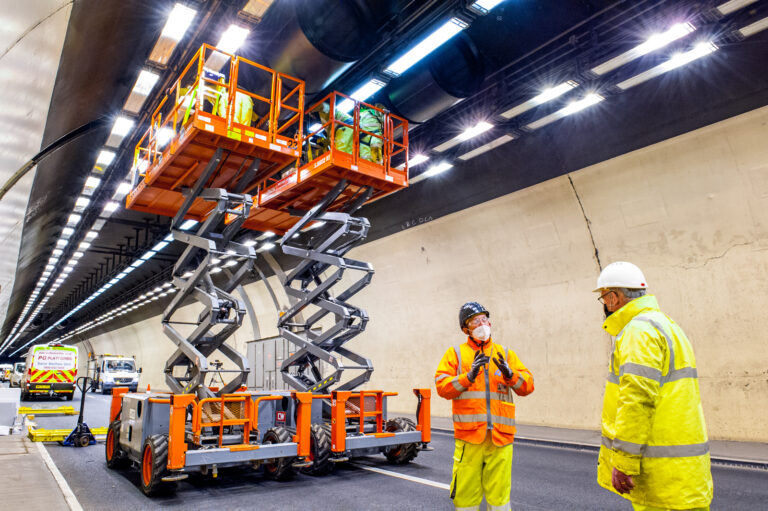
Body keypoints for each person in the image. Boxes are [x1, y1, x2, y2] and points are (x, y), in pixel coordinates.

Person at [594, 262, 713, 511]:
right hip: (684, 475)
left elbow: (636, 400)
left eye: (604, 298)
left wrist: (624, 462)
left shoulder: (638, 332)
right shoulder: (668, 326)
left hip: (660, 480)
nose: (604, 305)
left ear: (614, 297)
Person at [435, 302, 534, 511]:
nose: (482, 324)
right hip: (470, 439)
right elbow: (442, 386)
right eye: (475, 321)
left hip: (501, 438)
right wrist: (467, 377)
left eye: (484, 319)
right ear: (466, 329)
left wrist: (510, 375)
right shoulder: (456, 354)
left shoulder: (505, 354)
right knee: (466, 497)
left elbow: (527, 386)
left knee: (499, 498)